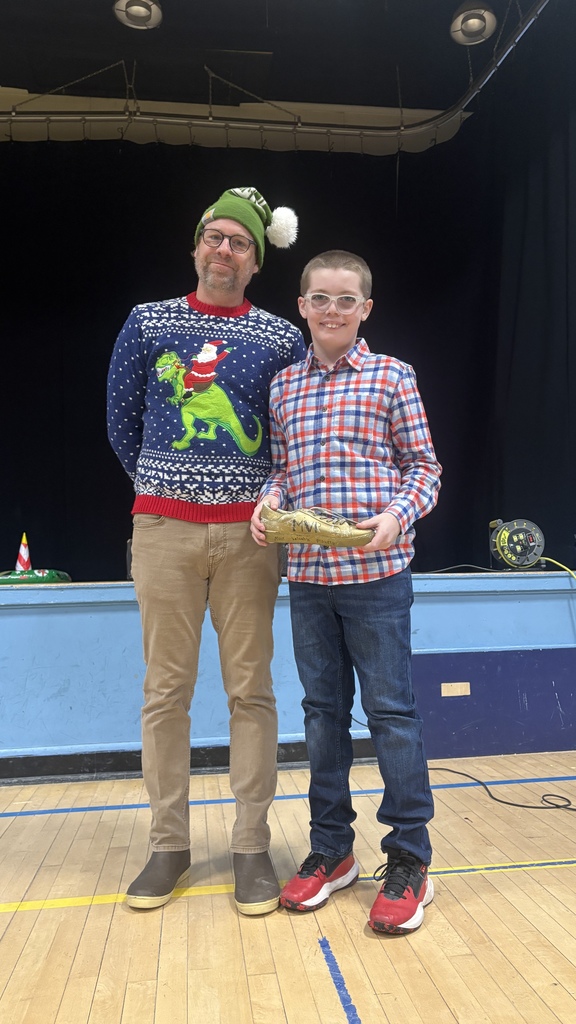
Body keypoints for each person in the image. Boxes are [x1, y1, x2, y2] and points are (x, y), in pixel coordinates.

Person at [107, 186, 307, 914]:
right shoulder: (147, 322)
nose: (226, 250)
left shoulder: (282, 338)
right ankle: (169, 845)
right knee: (165, 692)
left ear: (256, 261)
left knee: (251, 692)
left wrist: (241, 499)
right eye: (216, 237)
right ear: (196, 246)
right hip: (164, 531)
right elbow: (121, 421)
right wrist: (168, 493)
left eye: (241, 243)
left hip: (251, 537)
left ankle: (251, 846)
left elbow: (286, 435)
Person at [250, 249, 441, 934]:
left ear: (366, 308)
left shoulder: (393, 377)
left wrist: (394, 517)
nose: (333, 309)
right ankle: (331, 849)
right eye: (320, 298)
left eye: (347, 299)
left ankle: (410, 858)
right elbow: (280, 470)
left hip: (377, 581)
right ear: (301, 306)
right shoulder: (283, 387)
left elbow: (424, 468)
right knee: (322, 717)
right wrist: (267, 504)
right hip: (308, 581)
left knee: (391, 716)